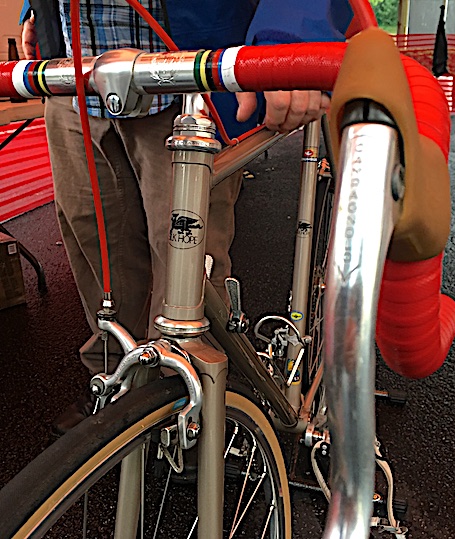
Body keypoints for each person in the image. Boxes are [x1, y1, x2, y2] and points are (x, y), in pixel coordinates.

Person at [20, 0, 353, 433]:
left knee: (186, 273)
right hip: (74, 79)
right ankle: (117, 385)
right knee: (98, 256)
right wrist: (36, 10)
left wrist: (291, 33)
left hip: (188, 76)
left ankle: (186, 407)